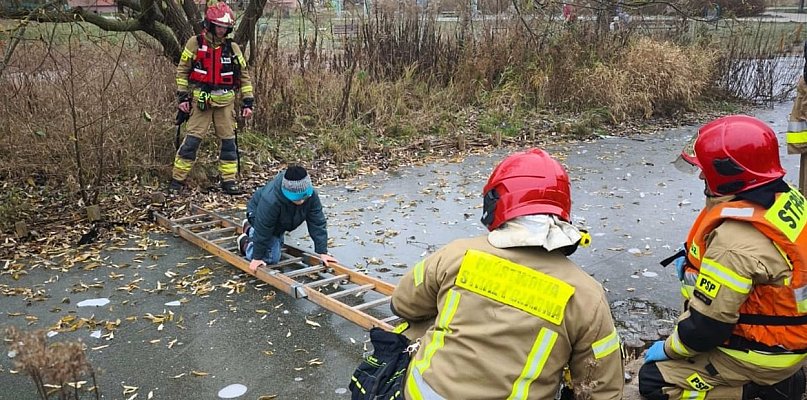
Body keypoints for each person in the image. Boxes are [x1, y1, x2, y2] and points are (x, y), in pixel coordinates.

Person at [390, 148, 624, 399]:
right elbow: (601, 387)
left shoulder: (457, 254)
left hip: (421, 394)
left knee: (417, 323)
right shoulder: (587, 296)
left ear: (495, 201)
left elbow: (404, 305)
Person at [639, 115, 807, 399]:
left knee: (653, 381)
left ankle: (758, 391)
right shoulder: (785, 197)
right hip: (789, 337)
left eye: (705, 170)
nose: (702, 176)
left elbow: (707, 330)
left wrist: (669, 349)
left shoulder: (733, 241)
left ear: (729, 174)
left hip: (764, 355)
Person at [169, 0, 254, 195]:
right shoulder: (195, 43)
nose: (222, 31)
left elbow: (244, 76)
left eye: (225, 27)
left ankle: (229, 181)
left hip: (225, 102)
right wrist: (182, 98)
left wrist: (248, 101)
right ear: (210, 24)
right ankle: (177, 180)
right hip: (203, 101)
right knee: (191, 141)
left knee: (228, 143)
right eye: (219, 26)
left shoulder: (232, 48)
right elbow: (182, 71)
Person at [237, 165, 338, 273]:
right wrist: (256, 257)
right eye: (297, 198)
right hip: (258, 215)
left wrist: (323, 252)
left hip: (280, 221)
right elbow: (264, 228)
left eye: (304, 198)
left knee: (276, 244)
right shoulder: (271, 200)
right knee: (271, 258)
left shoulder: (311, 195)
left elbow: (317, 222)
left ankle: (249, 228)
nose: (301, 202)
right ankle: (245, 242)